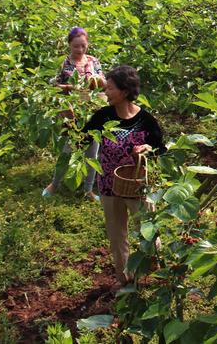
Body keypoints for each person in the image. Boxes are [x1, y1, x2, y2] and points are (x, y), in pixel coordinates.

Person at [83, 65, 165, 287]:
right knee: (117, 236)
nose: (106, 93)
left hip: (137, 185)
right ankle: (125, 279)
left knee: (148, 231)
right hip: (109, 186)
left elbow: (161, 147)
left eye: (110, 89)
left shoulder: (145, 120)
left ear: (125, 91)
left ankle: (157, 274)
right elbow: (81, 140)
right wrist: (68, 121)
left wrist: (146, 148)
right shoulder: (102, 117)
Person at [43, 27, 106, 201]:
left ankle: (88, 190)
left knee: (92, 153)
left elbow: (104, 83)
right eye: (76, 46)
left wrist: (97, 80)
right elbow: (54, 87)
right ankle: (54, 184)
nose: (80, 50)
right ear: (69, 45)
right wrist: (73, 87)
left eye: (83, 46)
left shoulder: (93, 61)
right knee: (67, 150)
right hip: (71, 112)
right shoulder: (64, 63)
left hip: (92, 111)